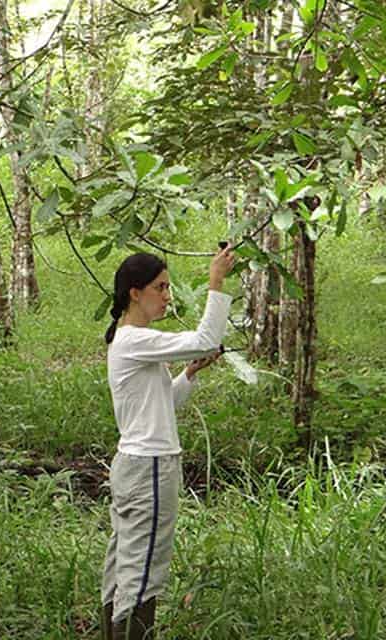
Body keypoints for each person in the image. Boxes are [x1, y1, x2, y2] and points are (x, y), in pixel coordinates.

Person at [100, 246, 236, 639]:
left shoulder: (132, 342)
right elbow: (206, 338)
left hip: (136, 463)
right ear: (135, 293)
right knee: (143, 570)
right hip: (149, 469)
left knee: (124, 563)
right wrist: (216, 280)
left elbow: (157, 406)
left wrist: (189, 374)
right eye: (160, 287)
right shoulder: (132, 340)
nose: (167, 295)